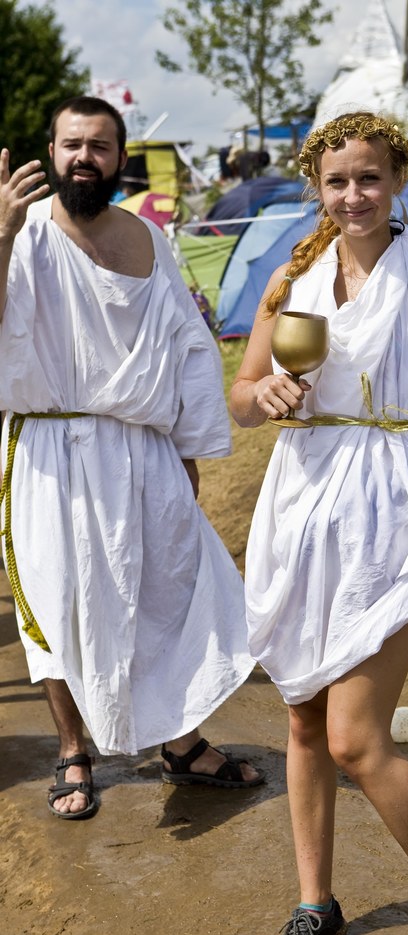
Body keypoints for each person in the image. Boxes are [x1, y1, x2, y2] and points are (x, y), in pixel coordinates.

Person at [230, 112, 408, 935]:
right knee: (303, 717)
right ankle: (317, 904)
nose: (354, 196)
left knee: (355, 738)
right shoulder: (289, 276)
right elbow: (239, 396)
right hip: (299, 500)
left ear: (399, 182)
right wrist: (261, 390)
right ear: (316, 185)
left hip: (386, 503)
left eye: (370, 179)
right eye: (338, 181)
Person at [0, 96, 264, 821]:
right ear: (50, 153)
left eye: (100, 146)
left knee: (165, 593)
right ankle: (72, 749)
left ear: (119, 159)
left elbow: (187, 345)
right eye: (71, 144)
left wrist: (189, 449)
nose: (84, 157)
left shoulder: (152, 239)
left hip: (141, 449)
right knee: (56, 603)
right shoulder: (19, 238)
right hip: (48, 449)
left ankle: (180, 742)